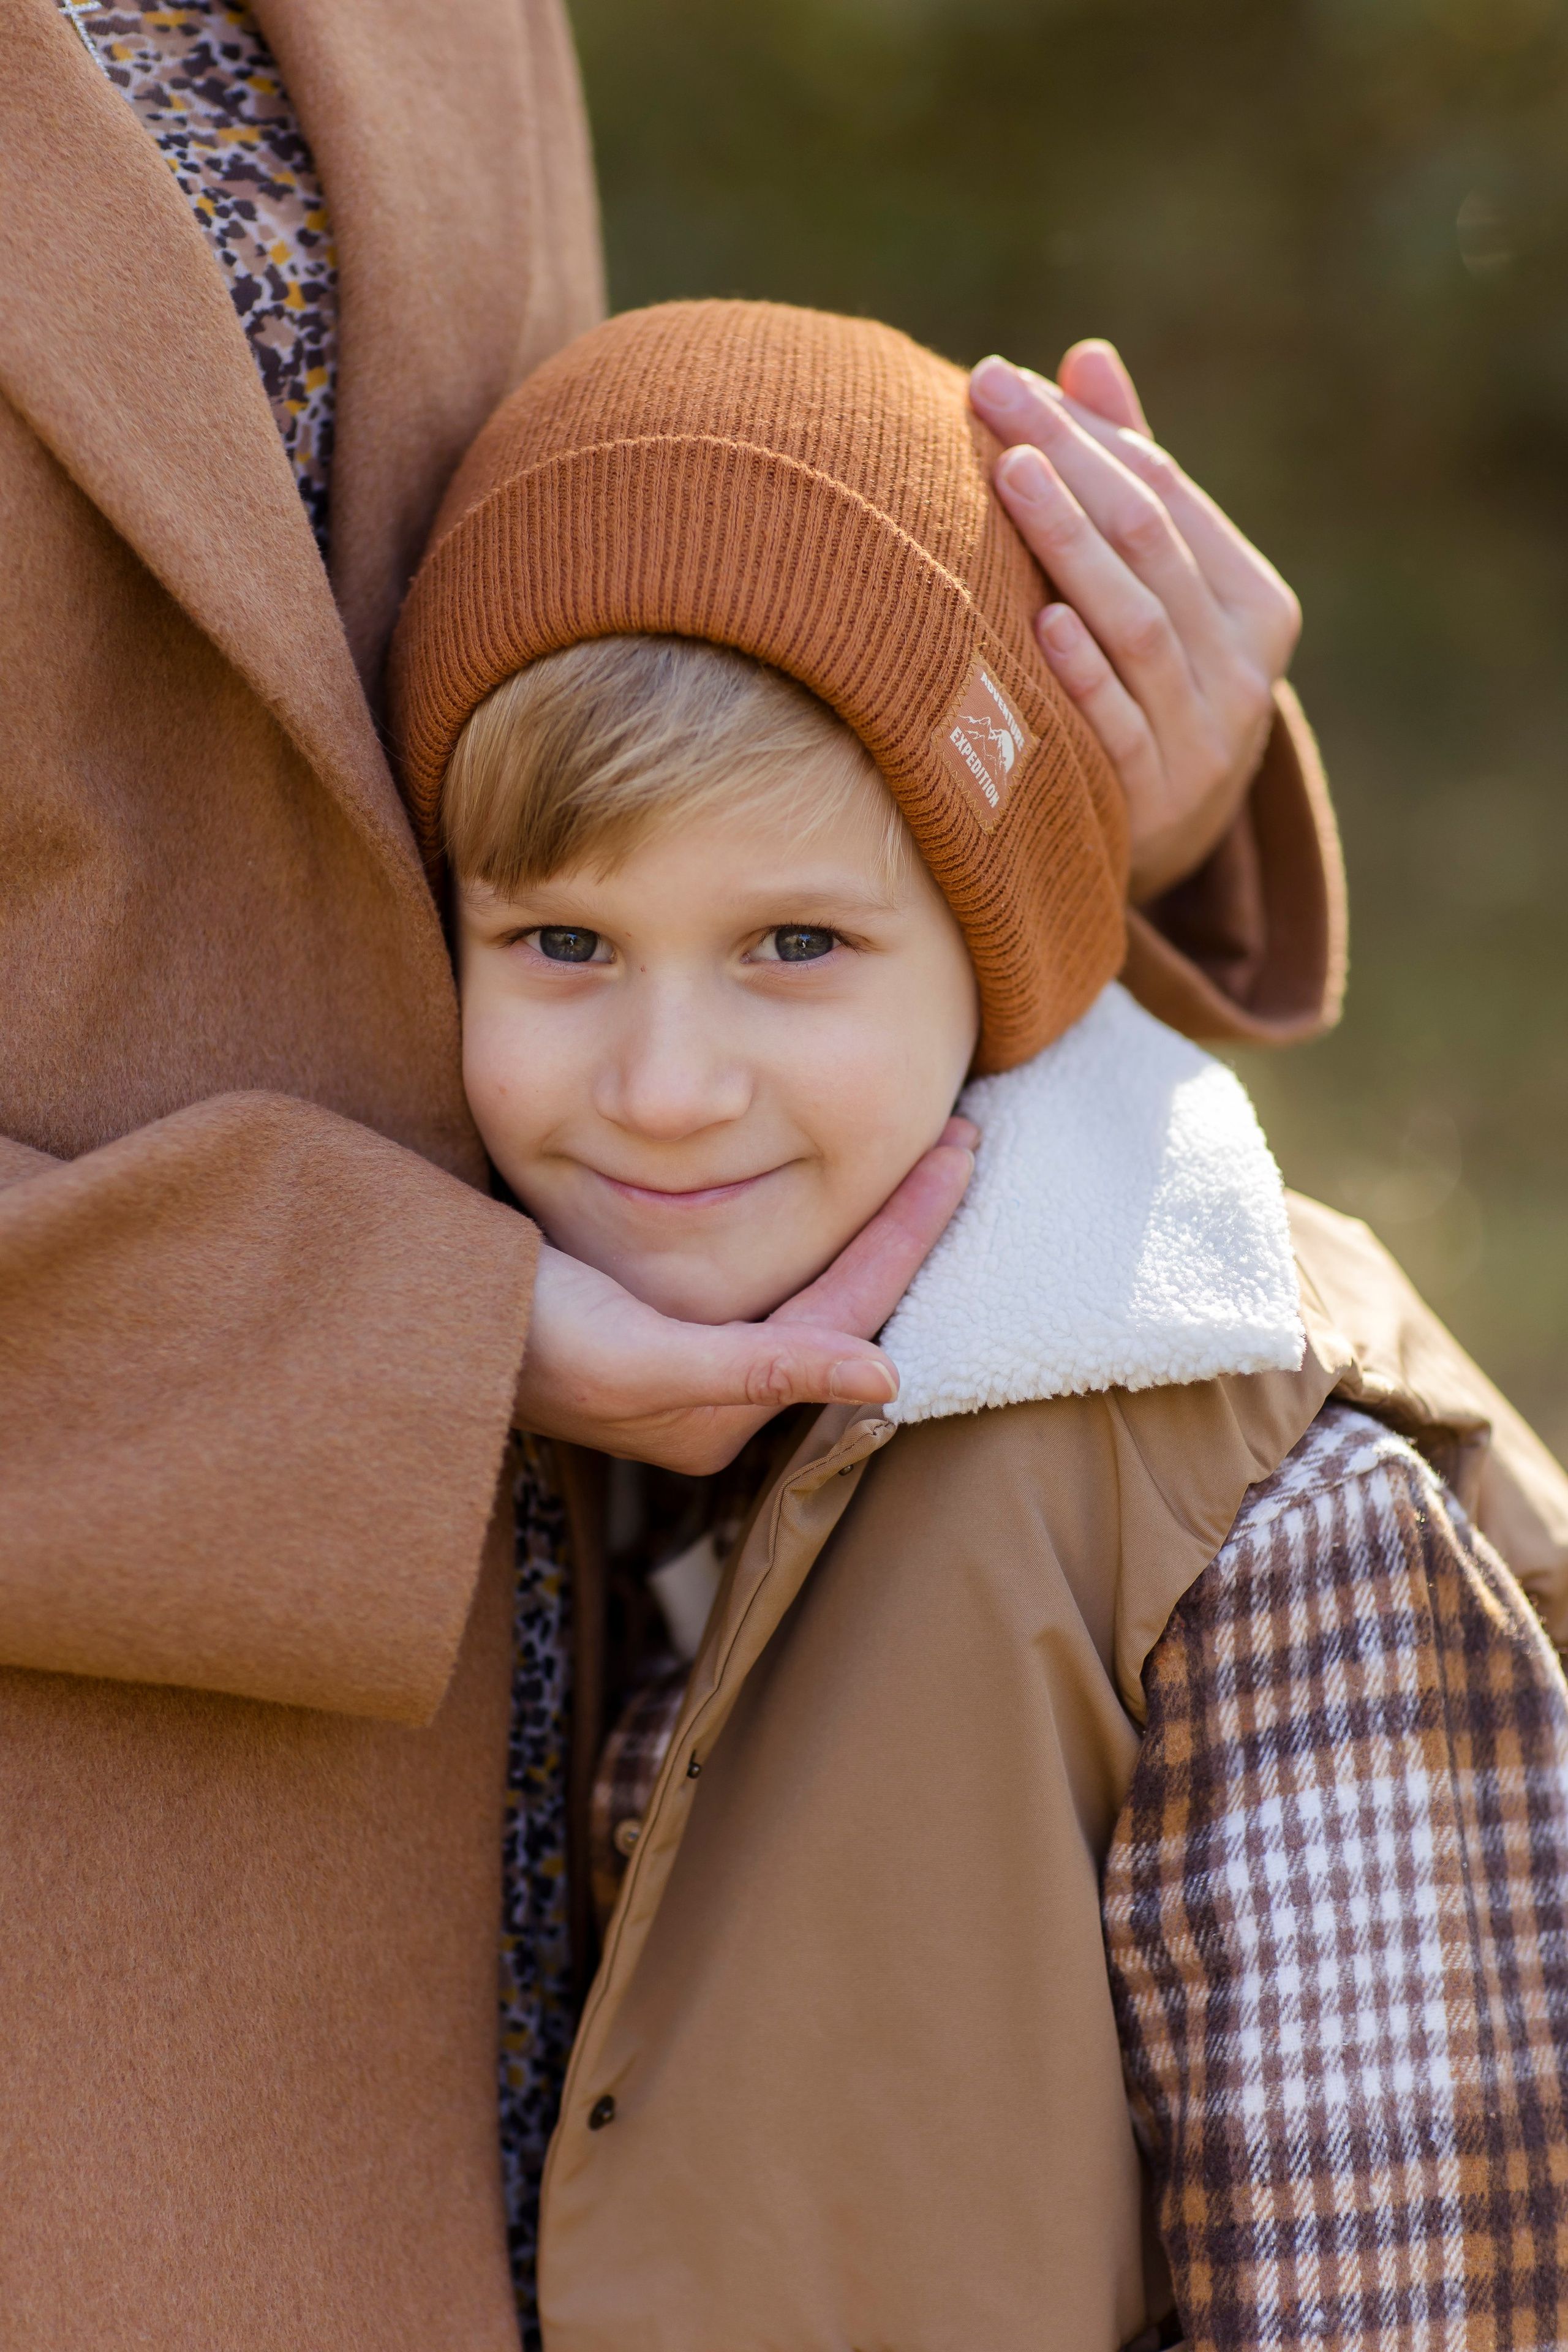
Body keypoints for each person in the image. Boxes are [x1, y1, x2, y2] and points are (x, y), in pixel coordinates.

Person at [1, 2, 1342, 2341]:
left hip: (596, 1788)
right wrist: (408, 1344)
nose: (666, 1084)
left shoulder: (1244, 1505)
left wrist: (1102, 781)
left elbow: (603, 681)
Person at [390, 295, 1568, 2351]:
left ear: (1001, 962)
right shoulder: (557, 1428)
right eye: (562, 940)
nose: (664, 1086)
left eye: (797, 944)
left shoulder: (1255, 1516)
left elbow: (1407, 2291)